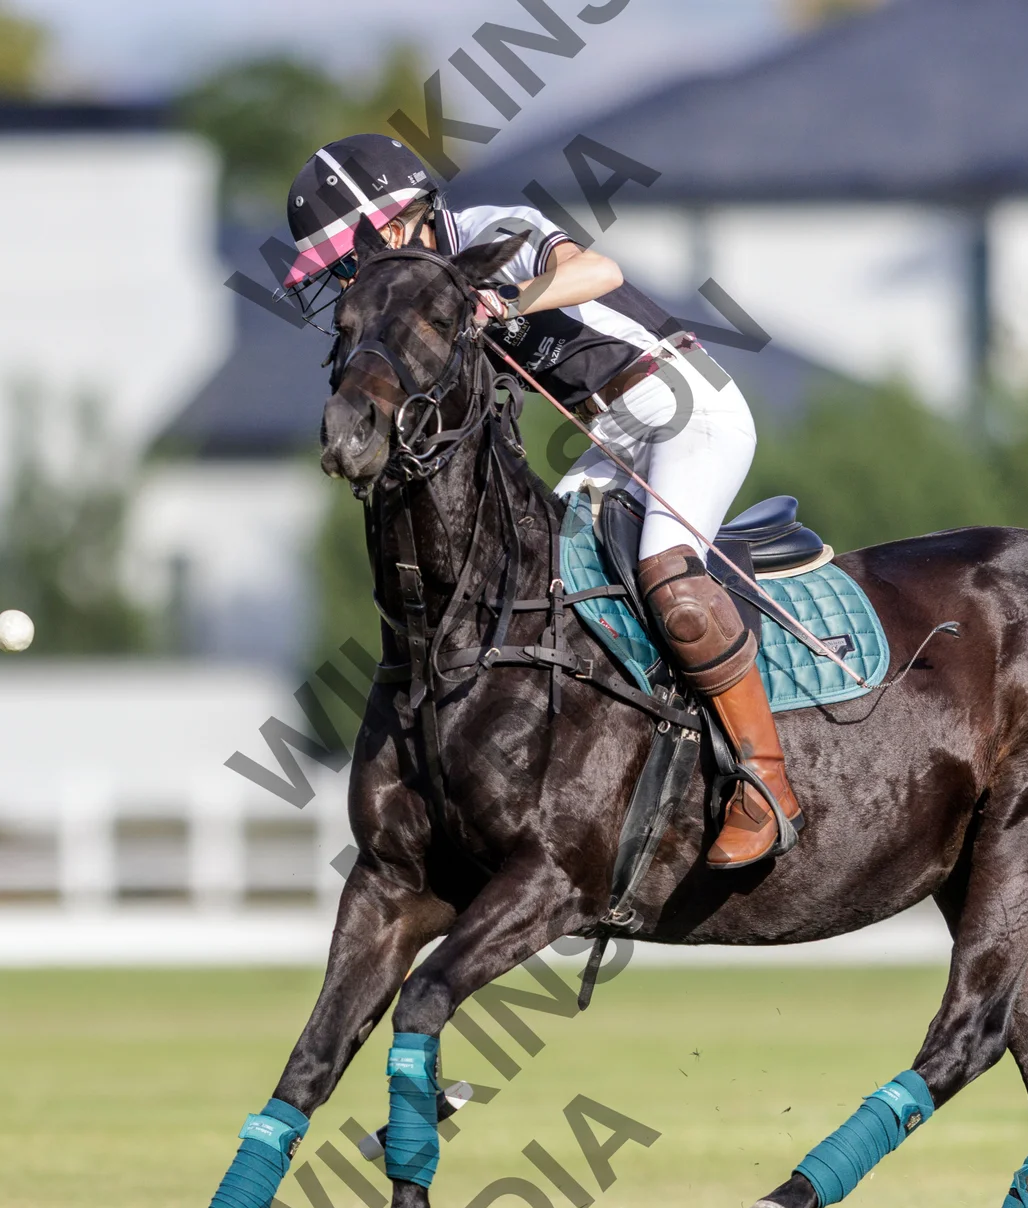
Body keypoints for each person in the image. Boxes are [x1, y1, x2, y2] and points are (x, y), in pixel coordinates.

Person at [283, 134, 801, 868]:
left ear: (393, 229)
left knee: (665, 572)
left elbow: (598, 270)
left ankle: (765, 780)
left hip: (683, 405)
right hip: (608, 434)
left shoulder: (491, 230)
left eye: (343, 264)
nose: (344, 283)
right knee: (528, 586)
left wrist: (501, 300)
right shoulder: (420, 301)